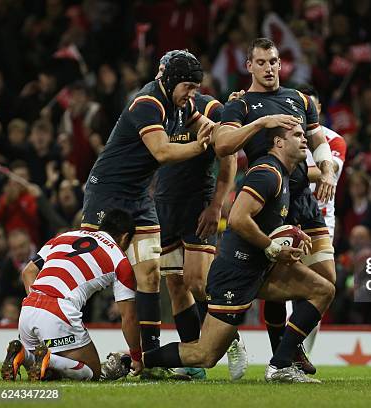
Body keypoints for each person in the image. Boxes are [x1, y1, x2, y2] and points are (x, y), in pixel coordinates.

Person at [143, 124, 335, 383]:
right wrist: (271, 246)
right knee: (204, 355)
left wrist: (292, 238)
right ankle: (136, 360)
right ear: (278, 143)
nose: (305, 141)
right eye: (298, 136)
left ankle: (281, 364)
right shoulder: (267, 174)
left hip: (261, 267)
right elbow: (237, 218)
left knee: (323, 289)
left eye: (304, 134)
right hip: (237, 270)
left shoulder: (286, 174)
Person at [80, 52, 214, 363]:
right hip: (107, 195)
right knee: (87, 272)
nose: (193, 93)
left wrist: (238, 126)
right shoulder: (147, 103)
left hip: (139, 198)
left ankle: (147, 357)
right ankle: (53, 329)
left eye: (196, 87)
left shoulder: (182, 106)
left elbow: (213, 127)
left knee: (151, 274)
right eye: (188, 86)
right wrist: (201, 145)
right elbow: (162, 151)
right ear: (169, 81)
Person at [214, 37, 337, 374]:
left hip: (303, 200)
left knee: (328, 278)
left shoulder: (299, 99)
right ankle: (281, 359)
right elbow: (223, 145)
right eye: (262, 62)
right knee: (279, 285)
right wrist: (259, 124)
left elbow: (318, 139)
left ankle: (289, 349)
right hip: (270, 201)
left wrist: (326, 170)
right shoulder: (240, 105)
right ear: (249, 66)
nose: (269, 68)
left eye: (274, 61)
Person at [153, 50, 244, 380]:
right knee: (176, 285)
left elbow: (229, 156)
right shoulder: (159, 109)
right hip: (165, 203)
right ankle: (193, 359)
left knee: (198, 281)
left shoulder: (208, 107)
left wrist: (217, 205)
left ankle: (231, 338)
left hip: (199, 202)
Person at [1, 209, 142, 381]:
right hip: (58, 310)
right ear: (125, 237)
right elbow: (129, 317)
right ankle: (48, 358)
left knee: (52, 375)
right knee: (93, 371)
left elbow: (28, 273)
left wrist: (40, 308)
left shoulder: (64, 236)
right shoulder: (120, 260)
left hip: (28, 309)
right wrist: (136, 356)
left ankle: (23, 354)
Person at [295, 83, 347, 353]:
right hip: (289, 219)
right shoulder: (285, 135)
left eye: (311, 108)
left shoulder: (334, 139)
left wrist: (289, 167)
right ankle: (288, 351)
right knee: (288, 288)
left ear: (318, 110)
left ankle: (303, 353)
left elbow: (331, 172)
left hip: (322, 223)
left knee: (321, 288)